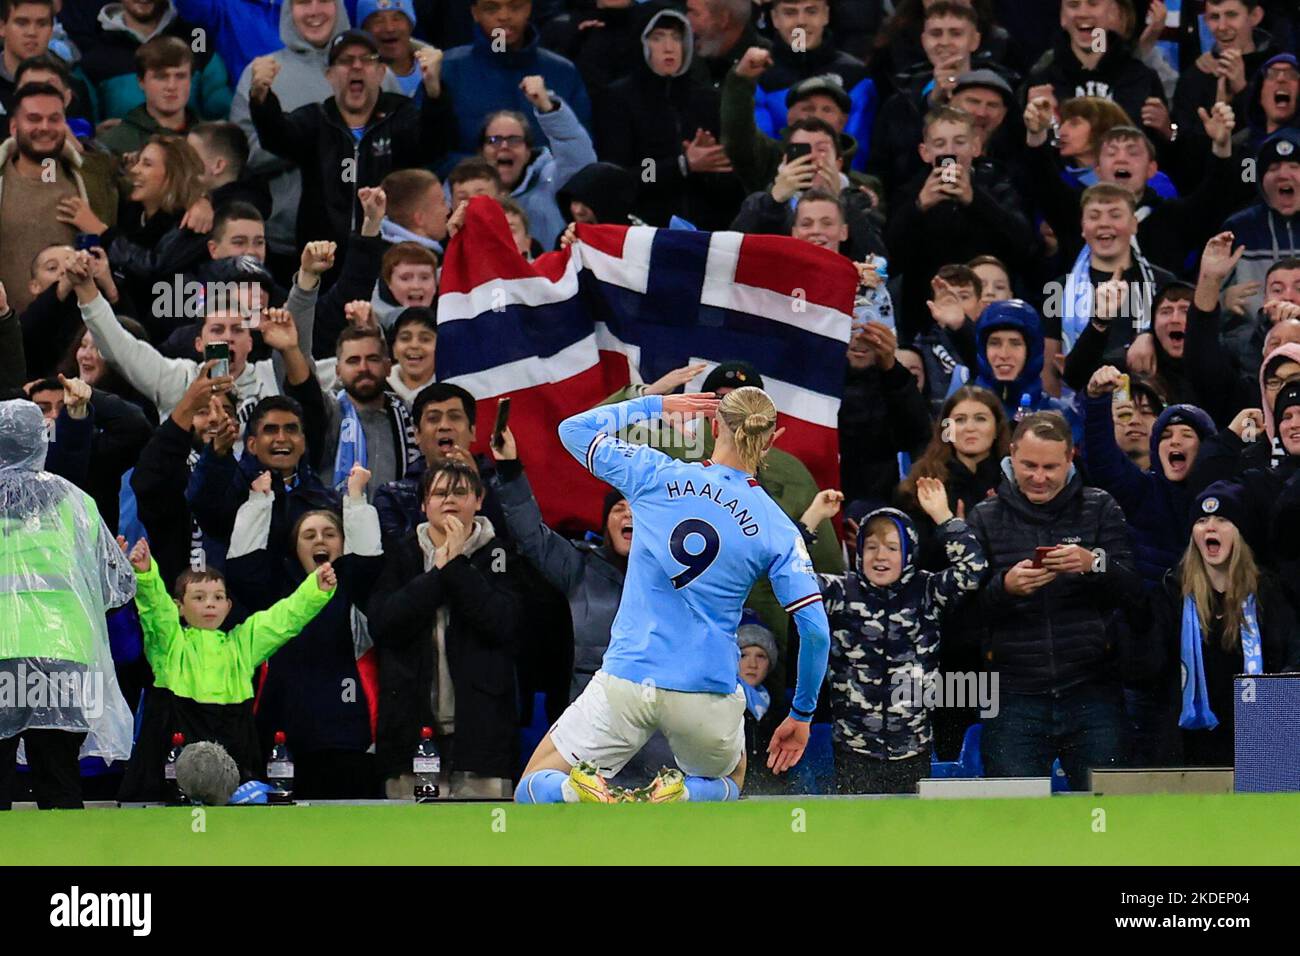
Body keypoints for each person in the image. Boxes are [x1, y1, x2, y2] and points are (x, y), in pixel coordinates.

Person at [515, 385, 832, 803]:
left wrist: (654, 405)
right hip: (706, 690)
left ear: (714, 425)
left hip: (627, 679)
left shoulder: (656, 474)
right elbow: (815, 633)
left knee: (532, 785)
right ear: (772, 439)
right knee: (730, 780)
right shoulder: (777, 527)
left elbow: (573, 430)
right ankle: (681, 796)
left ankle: (579, 795)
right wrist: (802, 714)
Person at [966, 409, 1142, 789]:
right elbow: (961, 615)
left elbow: (1134, 593)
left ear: (1070, 459)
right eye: (1029, 465)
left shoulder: (1100, 507)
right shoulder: (983, 518)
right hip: (1012, 695)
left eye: (1050, 467)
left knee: (1108, 816)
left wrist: (1092, 563)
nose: (1039, 477)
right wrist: (1005, 588)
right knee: (1014, 824)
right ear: (1011, 455)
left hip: (1094, 691)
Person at [116, 531, 337, 796]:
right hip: (173, 745)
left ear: (228, 606)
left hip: (235, 746)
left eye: (218, 597)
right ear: (179, 607)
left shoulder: (242, 645)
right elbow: (156, 610)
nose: (210, 604)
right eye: (199, 597)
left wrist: (314, 591)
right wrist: (147, 574)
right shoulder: (170, 645)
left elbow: (283, 619)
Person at [806, 477, 987, 794]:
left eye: (892, 547)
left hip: (913, 750)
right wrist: (813, 518)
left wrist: (943, 516)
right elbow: (786, 572)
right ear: (859, 550)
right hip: (853, 752)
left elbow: (974, 568)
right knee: (858, 838)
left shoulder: (927, 590)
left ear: (909, 552)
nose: (880, 556)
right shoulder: (841, 592)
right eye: (871, 546)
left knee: (910, 838)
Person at [0, 398, 136, 810]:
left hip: (1, 653)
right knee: (58, 777)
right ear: (40, 441)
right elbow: (118, 584)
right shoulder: (76, 500)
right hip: (63, 656)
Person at [366, 458, 525, 800]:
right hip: (410, 736)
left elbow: (505, 624)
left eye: (460, 492)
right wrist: (436, 574)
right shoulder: (401, 554)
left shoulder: (500, 554)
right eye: (439, 493)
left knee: (486, 851)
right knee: (412, 849)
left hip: (483, 742)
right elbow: (384, 625)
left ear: (479, 501)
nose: (450, 500)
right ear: (424, 505)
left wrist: (455, 567)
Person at [224, 462, 384, 798]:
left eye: (329, 534)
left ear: (343, 543)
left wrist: (355, 501)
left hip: (348, 737)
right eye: (308, 536)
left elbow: (368, 559)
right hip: (282, 736)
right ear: (295, 548)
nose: (319, 541)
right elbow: (243, 567)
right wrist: (258, 503)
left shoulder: (353, 588)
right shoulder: (275, 592)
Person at [247, 28, 455, 268]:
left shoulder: (401, 115)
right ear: (329, 76)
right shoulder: (316, 119)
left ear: (381, 72)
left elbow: (435, 144)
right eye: (345, 60)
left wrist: (434, 90)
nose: (356, 66)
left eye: (366, 59)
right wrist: (261, 98)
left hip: (389, 260)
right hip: (324, 262)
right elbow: (276, 137)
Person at [1130, 481, 1300, 766]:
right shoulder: (1172, 592)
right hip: (1188, 741)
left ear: (1241, 533)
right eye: (1202, 520)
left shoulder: (1268, 593)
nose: (1210, 527)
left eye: (1222, 520)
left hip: (1260, 736)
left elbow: (1294, 655)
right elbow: (1148, 667)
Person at [595, 5, 740, 230]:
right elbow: (623, 178)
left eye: (677, 37)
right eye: (658, 37)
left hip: (707, 229)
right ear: (642, 43)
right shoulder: (619, 99)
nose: (669, 47)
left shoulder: (710, 100)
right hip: (647, 229)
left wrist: (712, 164)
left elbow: (733, 184)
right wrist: (682, 165)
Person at [0, 82, 116, 317]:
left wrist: (202, 199)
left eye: (54, 118)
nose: (45, 127)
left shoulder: (88, 180)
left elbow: (120, 255)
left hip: (75, 336)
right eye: (34, 118)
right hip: (7, 337)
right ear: (13, 126)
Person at [439, 0, 593, 157]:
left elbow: (580, 150)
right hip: (469, 178)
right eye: (491, 8)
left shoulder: (563, 71)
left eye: (515, 6)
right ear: (475, 13)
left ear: (529, 8)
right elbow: (433, 154)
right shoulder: (449, 69)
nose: (504, 16)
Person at [477, 78, 596, 249]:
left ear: (527, 152)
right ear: (482, 151)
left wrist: (548, 108)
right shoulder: (464, 187)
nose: (504, 146)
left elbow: (580, 161)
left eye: (514, 140)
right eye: (494, 140)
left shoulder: (552, 181)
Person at [80, 0, 233, 122]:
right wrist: (98, 135)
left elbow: (222, 118)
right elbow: (85, 124)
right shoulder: (95, 53)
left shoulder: (197, 42)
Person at [97, 35, 199, 154]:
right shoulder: (112, 145)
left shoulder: (210, 140)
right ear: (141, 81)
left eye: (180, 76)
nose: (171, 86)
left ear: (190, 80)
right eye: (161, 77)